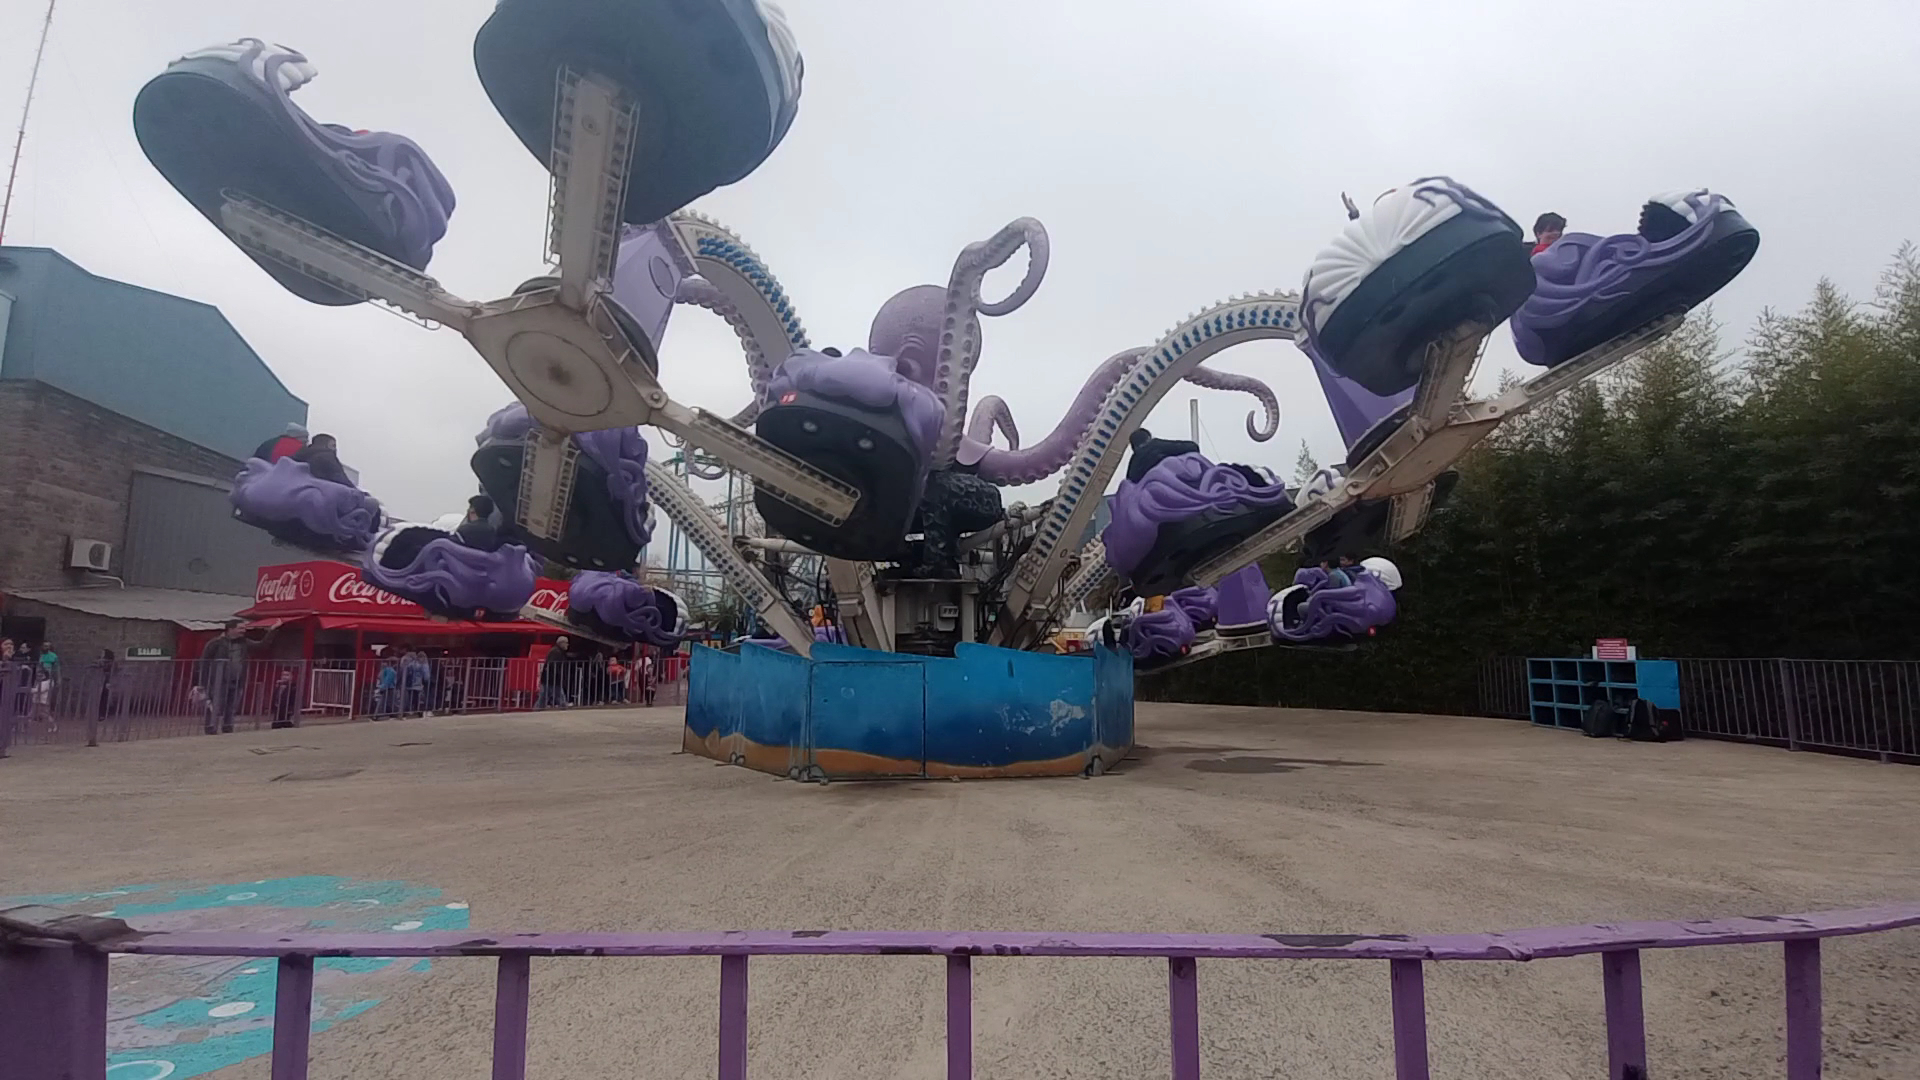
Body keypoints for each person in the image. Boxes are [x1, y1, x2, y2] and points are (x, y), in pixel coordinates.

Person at [196, 622, 249, 734]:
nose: (244, 631)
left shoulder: (243, 642)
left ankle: (228, 728)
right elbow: (204, 661)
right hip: (218, 681)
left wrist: (272, 631)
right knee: (215, 705)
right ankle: (211, 728)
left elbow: (261, 645)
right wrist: (203, 682)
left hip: (237, 680)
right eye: (240, 628)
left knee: (232, 707)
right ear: (230, 629)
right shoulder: (215, 643)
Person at [539, 636, 574, 708]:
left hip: (550, 678)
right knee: (557, 694)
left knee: (544, 696)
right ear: (561, 643)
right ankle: (564, 706)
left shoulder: (556, 651)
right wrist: (558, 674)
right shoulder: (556, 652)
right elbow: (553, 665)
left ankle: (538, 708)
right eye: (566, 643)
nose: (567, 645)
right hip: (553, 678)